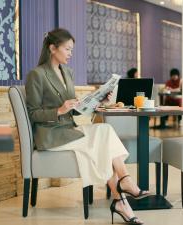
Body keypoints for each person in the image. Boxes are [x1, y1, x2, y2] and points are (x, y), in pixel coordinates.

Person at [25, 28, 146, 224]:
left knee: (104, 134)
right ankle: (124, 190)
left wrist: (97, 102)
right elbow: (32, 114)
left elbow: (73, 109)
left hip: (67, 131)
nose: (71, 54)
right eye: (67, 49)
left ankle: (121, 196)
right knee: (102, 140)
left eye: (72, 50)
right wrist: (59, 111)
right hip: (51, 135)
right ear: (53, 48)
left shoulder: (67, 72)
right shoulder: (36, 75)